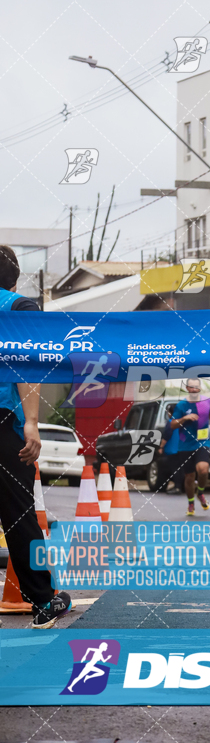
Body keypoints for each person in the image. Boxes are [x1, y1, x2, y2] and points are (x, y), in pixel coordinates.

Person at [0, 245, 71, 628]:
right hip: (3, 424)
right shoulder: (18, 309)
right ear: (13, 277)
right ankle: (43, 602)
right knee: (17, 515)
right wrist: (31, 421)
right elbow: (27, 365)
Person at [169, 379, 210, 515]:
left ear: (200, 388)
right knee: (190, 476)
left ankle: (201, 493)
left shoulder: (207, 401)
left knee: (203, 470)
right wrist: (185, 418)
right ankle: (191, 503)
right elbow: (173, 424)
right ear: (187, 388)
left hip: (202, 442)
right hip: (185, 445)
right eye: (191, 387)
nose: (194, 389)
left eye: (196, 387)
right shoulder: (181, 405)